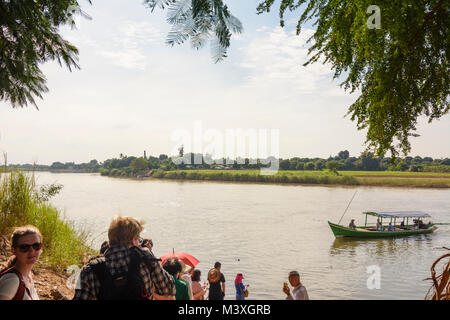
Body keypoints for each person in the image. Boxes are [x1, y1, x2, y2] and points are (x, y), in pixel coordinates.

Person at [73, 216, 175, 300]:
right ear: (132, 240)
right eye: (139, 239)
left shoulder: (90, 269)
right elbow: (168, 289)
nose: (140, 243)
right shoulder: (144, 257)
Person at [0, 225, 42, 300]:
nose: (32, 251)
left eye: (36, 246)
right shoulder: (12, 280)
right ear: (14, 251)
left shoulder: (28, 275)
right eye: (24, 247)